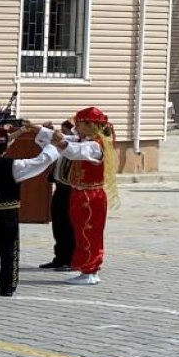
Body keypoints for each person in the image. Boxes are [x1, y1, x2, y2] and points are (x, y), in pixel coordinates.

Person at [0, 126, 61, 297]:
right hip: (7, 216)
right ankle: (7, 287)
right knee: (9, 251)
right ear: (7, 146)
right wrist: (53, 144)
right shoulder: (14, 166)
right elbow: (42, 161)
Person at [52, 107, 119, 285]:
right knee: (81, 232)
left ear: (89, 125)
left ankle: (91, 270)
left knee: (89, 233)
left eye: (79, 124)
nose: (76, 128)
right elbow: (70, 141)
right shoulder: (86, 139)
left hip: (90, 196)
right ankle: (85, 268)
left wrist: (61, 143)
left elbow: (75, 150)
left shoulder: (96, 145)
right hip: (81, 193)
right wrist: (40, 130)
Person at [40, 120, 77, 271]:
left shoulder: (74, 147)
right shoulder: (59, 147)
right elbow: (43, 143)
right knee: (58, 225)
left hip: (71, 190)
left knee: (69, 227)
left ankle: (70, 260)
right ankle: (59, 258)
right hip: (59, 188)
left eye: (65, 131)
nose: (62, 134)